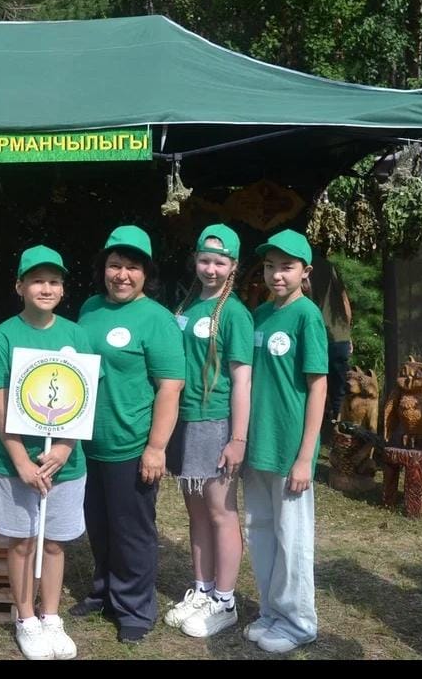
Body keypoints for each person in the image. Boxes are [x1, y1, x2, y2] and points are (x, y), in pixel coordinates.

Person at [71, 225, 185, 643]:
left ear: (145, 273)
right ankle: (104, 592)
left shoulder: (157, 319)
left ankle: (135, 608)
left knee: (132, 531)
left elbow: (170, 387)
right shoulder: (89, 308)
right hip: (87, 443)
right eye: (115, 265)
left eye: (132, 267)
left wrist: (156, 448)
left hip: (130, 444)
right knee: (99, 525)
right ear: (103, 268)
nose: (122, 275)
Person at [0, 245, 95, 660]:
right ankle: (26, 618)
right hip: (16, 464)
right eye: (37, 281)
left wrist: (63, 448)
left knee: (55, 543)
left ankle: (51, 616)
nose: (46, 288)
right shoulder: (2, 337)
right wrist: (22, 461)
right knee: (22, 543)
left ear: (62, 289)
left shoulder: (76, 335)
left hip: (65, 464)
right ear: (20, 286)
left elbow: (84, 399)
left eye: (54, 281)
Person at [164, 224, 253, 638]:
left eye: (220, 262)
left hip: (215, 422)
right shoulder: (186, 305)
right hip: (183, 421)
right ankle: (202, 589)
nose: (211, 269)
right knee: (196, 512)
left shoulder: (234, 313)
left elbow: (242, 381)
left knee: (221, 512)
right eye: (204, 260)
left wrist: (237, 439)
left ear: (233, 266)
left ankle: (225, 600)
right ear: (195, 260)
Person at [243, 229, 327, 654]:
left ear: (305, 271)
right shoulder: (259, 315)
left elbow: (318, 386)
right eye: (270, 266)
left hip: (289, 448)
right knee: (260, 530)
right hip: (257, 446)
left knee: (291, 536)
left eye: (287, 267)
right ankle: (272, 611)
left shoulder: (307, 316)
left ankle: (299, 622)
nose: (277, 274)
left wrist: (305, 456)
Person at [308, 250, 353, 424]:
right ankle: (341, 427)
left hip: (316, 335)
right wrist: (348, 332)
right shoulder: (329, 267)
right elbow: (344, 300)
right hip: (339, 334)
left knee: (314, 385)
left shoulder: (300, 267)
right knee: (340, 390)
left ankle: (321, 426)